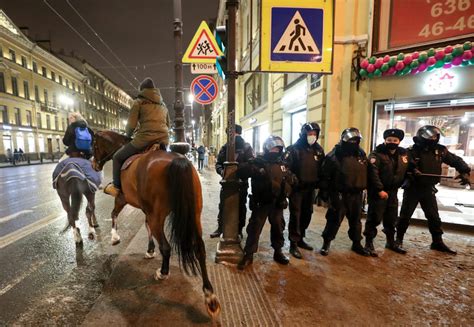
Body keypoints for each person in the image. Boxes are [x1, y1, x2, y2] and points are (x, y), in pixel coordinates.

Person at [396, 125, 471, 254]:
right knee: (405, 216)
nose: (433, 138)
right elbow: (403, 165)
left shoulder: (440, 151)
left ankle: (437, 242)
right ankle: (398, 240)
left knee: (434, 217)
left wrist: (464, 171)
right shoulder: (411, 150)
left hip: (428, 189)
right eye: (430, 136)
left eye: (435, 136)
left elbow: (456, 160)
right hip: (413, 188)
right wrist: (412, 170)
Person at [104, 77, 170, 197]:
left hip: (144, 139)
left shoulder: (138, 102)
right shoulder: (163, 104)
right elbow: (168, 124)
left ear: (142, 90)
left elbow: (131, 125)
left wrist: (127, 136)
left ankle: (116, 187)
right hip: (163, 140)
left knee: (117, 157)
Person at [237, 136, 296, 270]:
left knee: (278, 227)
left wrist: (289, 182)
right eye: (273, 148)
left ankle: (278, 251)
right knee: (255, 228)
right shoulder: (258, 162)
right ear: (267, 148)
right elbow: (241, 171)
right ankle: (249, 254)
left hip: (277, 203)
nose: (275, 151)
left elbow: (291, 177)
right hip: (261, 202)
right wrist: (254, 169)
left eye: (278, 148)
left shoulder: (282, 163)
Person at [319, 127, 369, 256]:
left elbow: (367, 171)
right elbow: (325, 175)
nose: (353, 143)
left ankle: (356, 243)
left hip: (356, 194)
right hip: (339, 194)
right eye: (351, 140)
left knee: (356, 221)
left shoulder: (361, 154)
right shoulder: (334, 155)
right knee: (334, 219)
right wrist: (324, 192)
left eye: (356, 140)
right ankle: (326, 242)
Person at [363, 129, 408, 256]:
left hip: (393, 192)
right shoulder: (376, 154)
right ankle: (368, 243)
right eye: (389, 140)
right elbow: (373, 173)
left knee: (391, 218)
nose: (392, 142)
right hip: (378, 193)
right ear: (385, 140)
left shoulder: (403, 155)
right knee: (374, 218)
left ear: (399, 141)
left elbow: (406, 170)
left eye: (395, 140)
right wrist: (379, 190)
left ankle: (390, 242)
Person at [285, 122, 325, 259]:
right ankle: (293, 243)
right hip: (297, 190)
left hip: (310, 189)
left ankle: (301, 237)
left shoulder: (318, 150)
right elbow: (286, 168)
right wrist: (294, 180)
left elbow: (322, 168)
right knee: (296, 216)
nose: (312, 136)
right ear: (303, 134)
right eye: (309, 134)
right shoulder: (293, 149)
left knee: (307, 214)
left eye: (314, 134)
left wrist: (321, 184)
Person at [211, 124, 254, 238]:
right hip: (227, 184)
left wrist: (237, 170)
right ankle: (221, 228)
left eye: (232, 133)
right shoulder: (225, 148)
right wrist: (222, 172)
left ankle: (238, 230)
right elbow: (218, 164)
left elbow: (251, 165)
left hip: (241, 184)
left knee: (240, 207)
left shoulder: (246, 147)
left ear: (237, 133)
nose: (231, 136)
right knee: (223, 206)